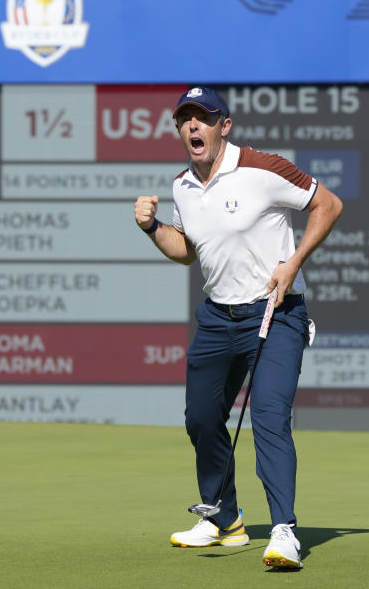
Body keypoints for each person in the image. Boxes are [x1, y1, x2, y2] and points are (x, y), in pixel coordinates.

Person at [133, 86, 343, 570]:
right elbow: (187, 251)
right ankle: (224, 519)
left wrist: (292, 262)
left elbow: (327, 205)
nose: (192, 127)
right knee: (201, 419)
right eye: (185, 119)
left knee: (269, 416)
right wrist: (151, 227)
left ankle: (284, 530)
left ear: (224, 126)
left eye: (203, 118)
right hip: (217, 318)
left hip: (275, 312)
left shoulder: (262, 168)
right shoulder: (183, 184)